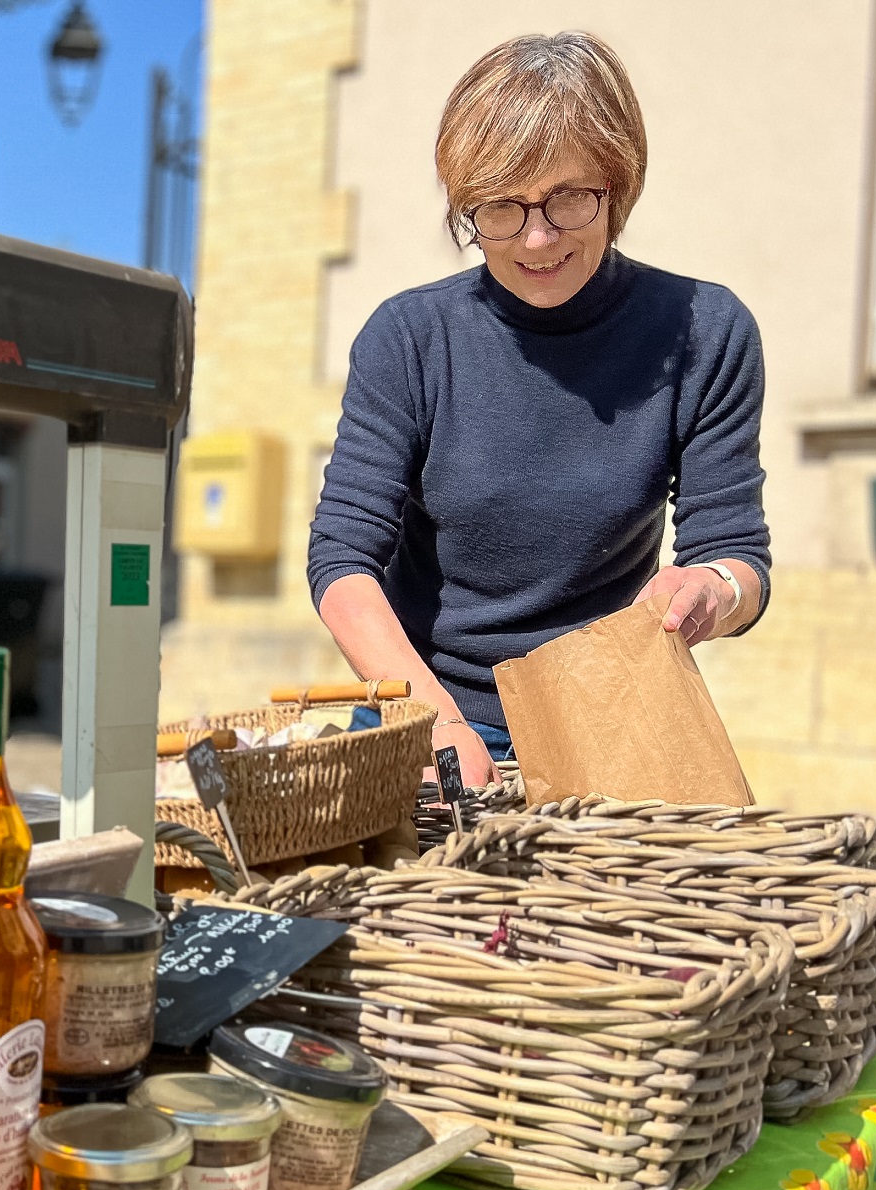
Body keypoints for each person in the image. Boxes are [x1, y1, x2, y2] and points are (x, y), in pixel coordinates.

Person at [309, 31, 772, 787]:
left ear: (616, 185)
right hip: (429, 713)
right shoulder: (411, 338)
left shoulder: (706, 331)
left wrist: (710, 592)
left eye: (568, 198)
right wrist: (436, 722)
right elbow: (342, 561)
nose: (537, 237)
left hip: (611, 721)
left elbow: (738, 558)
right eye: (501, 208)